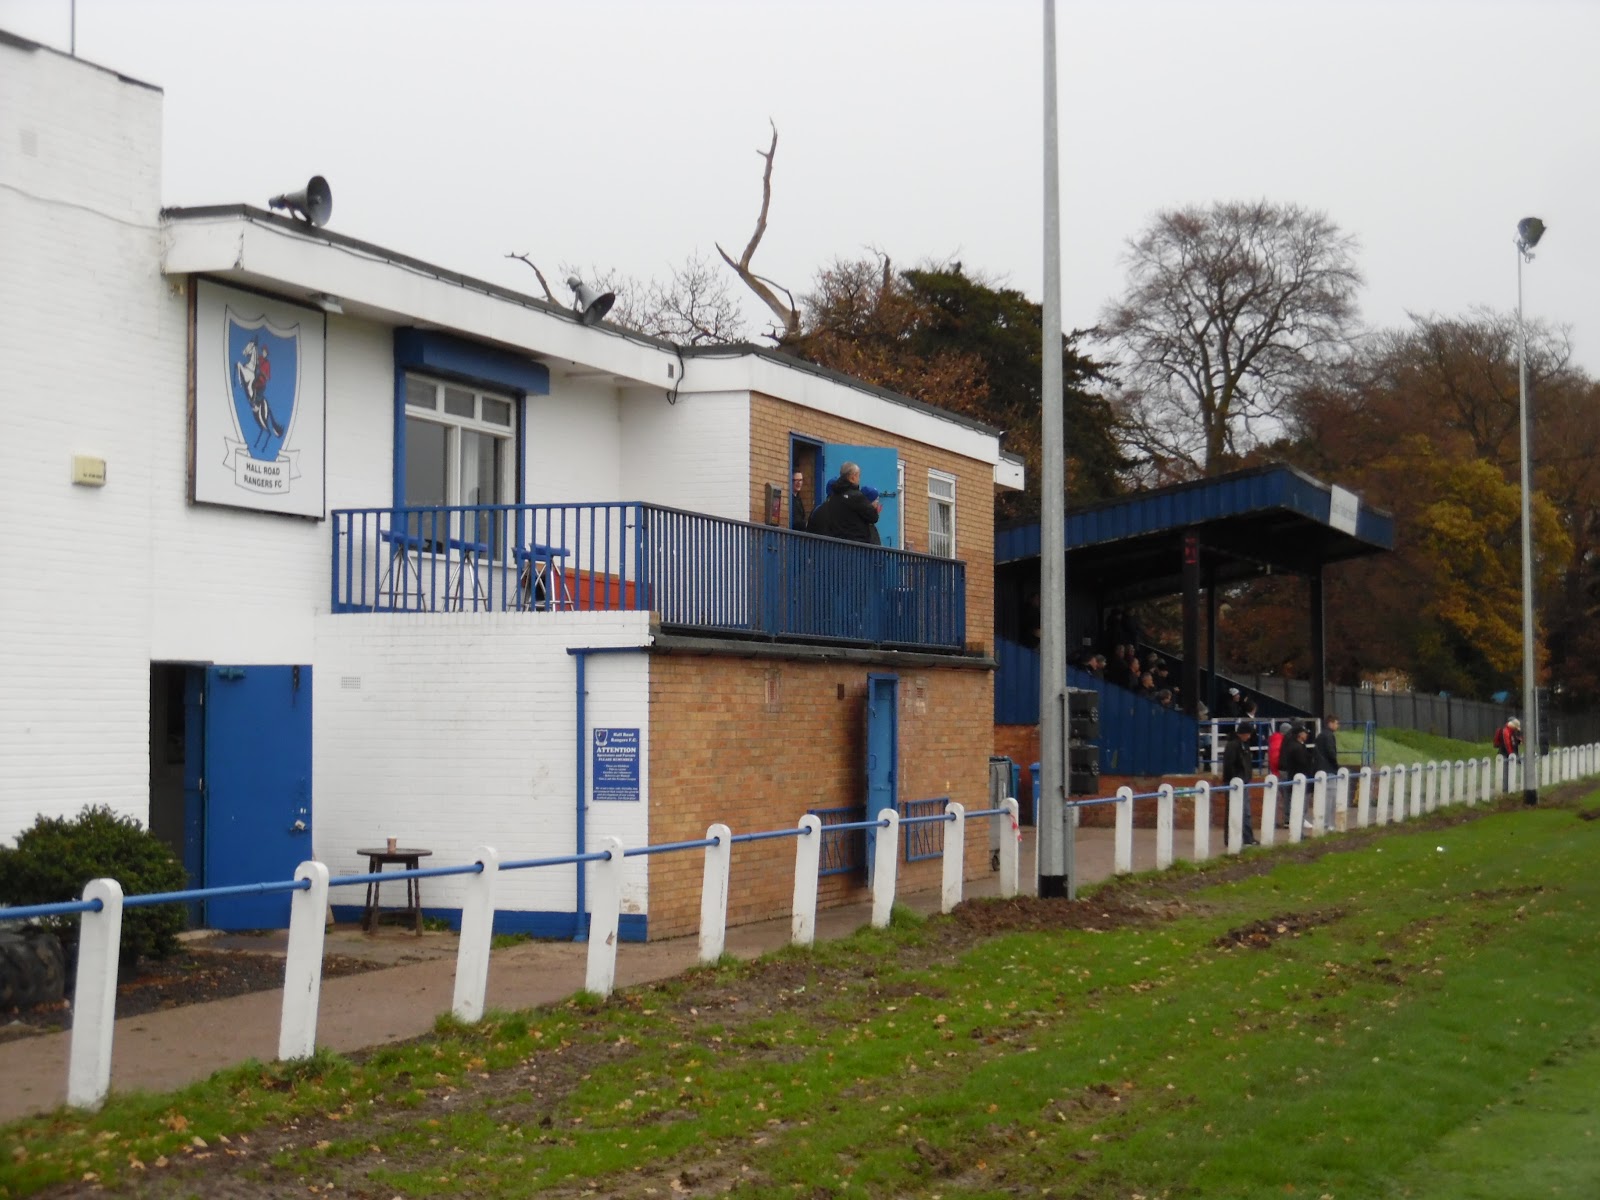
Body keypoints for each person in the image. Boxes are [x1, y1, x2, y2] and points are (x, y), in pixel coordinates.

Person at [806, 462, 881, 543]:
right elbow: (873, 517)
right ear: (853, 477)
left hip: (837, 544)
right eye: (858, 476)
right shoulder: (856, 497)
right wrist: (874, 509)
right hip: (856, 544)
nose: (859, 479)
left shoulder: (834, 497)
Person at [1221, 723, 1258, 847]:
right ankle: (1236, 838)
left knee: (1244, 811)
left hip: (1242, 782)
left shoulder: (1242, 745)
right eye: (1248, 734)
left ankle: (1247, 837)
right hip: (1236, 783)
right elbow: (1230, 765)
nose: (1249, 736)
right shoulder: (1233, 745)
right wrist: (1234, 780)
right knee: (1236, 811)